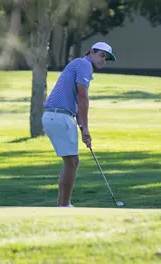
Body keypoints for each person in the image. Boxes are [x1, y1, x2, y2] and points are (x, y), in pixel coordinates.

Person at [42, 41, 116, 207]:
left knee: (70, 162)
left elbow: (77, 104)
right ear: (91, 52)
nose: (103, 60)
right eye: (101, 55)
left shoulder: (80, 65)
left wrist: (83, 130)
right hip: (58, 115)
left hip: (57, 116)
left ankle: (62, 205)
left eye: (106, 58)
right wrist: (87, 128)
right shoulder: (84, 64)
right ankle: (64, 205)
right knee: (73, 162)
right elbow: (83, 97)